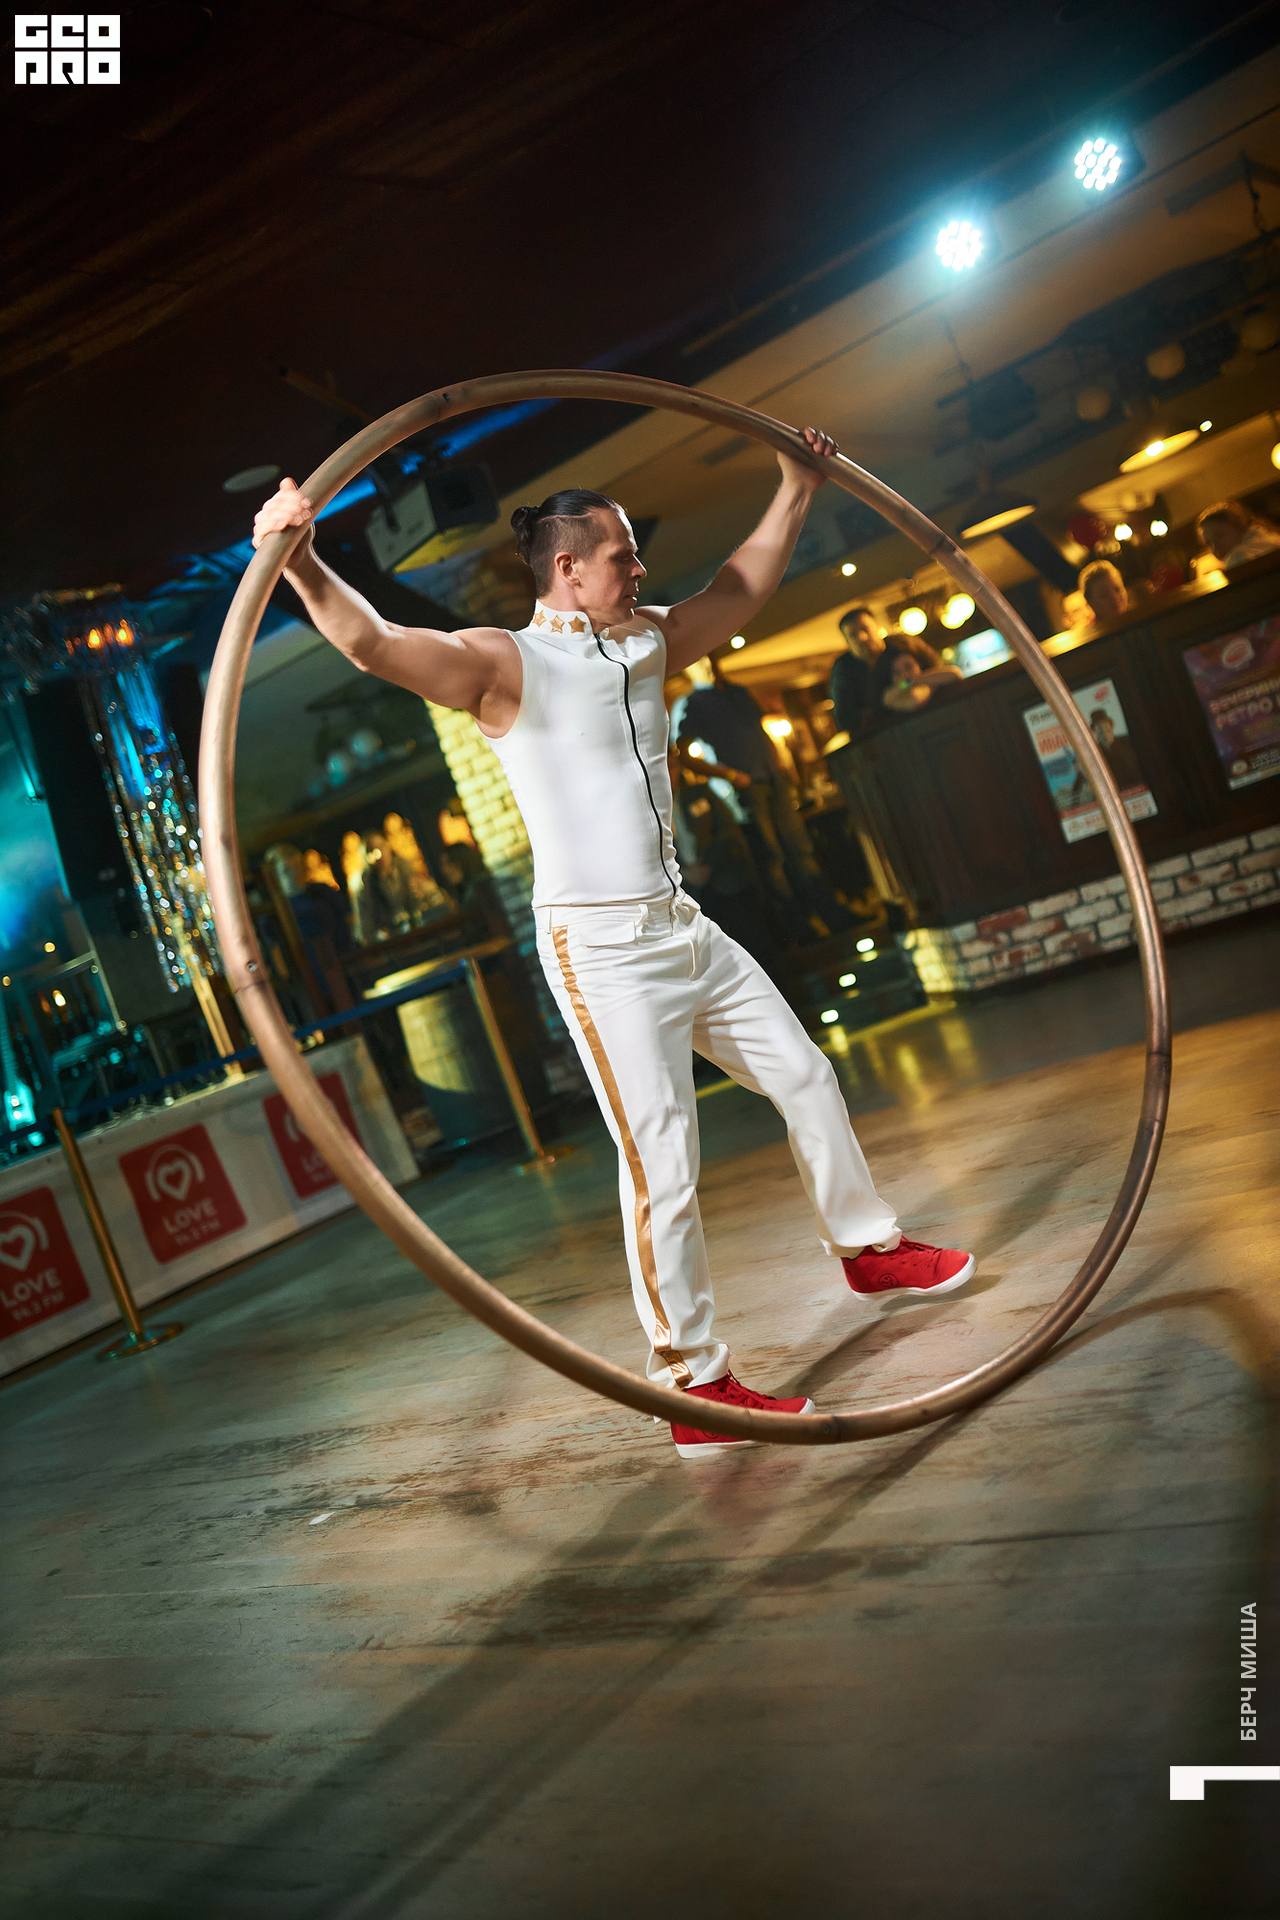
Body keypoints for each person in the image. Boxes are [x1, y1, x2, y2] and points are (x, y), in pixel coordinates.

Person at [252, 436, 974, 1460]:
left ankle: (867, 1248)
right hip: (600, 951)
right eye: (622, 556)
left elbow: (738, 590)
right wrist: (299, 560)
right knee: (663, 1162)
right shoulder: (505, 664)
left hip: (682, 922)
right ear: (567, 569)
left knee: (806, 1074)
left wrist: (795, 485)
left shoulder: (644, 641)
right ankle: (695, 1387)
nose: (639, 569)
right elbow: (375, 644)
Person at [677, 651, 852, 940]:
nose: (707, 664)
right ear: (688, 670)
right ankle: (801, 930)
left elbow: (759, 731)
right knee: (772, 858)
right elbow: (684, 755)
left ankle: (834, 917)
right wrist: (729, 775)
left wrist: (781, 766)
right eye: (698, 661)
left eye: (709, 658)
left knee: (800, 848)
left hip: (773, 779)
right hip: (745, 790)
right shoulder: (692, 705)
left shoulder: (737, 692)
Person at [668, 742, 785, 983]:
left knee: (755, 949)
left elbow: (728, 830)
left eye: (672, 766)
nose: (669, 774)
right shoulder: (652, 812)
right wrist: (685, 873)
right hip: (690, 894)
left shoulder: (700, 793)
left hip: (728, 881)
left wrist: (706, 866)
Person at [828, 606, 885, 739]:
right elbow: (843, 718)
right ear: (847, 642)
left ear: (877, 627)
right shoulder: (843, 668)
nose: (862, 637)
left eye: (865, 629)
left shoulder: (902, 646)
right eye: (853, 635)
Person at [871, 632, 961, 712]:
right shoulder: (889, 697)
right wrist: (912, 683)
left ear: (920, 663)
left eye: (908, 667)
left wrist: (909, 682)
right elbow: (913, 699)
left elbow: (955, 673)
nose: (904, 674)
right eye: (896, 672)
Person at [1195, 499, 1280, 571]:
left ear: (1241, 525)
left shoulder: (1238, 558)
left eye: (1219, 536)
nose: (1215, 548)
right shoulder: (1268, 537)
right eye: (1208, 543)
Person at [1078, 560, 1129, 624]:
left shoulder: (1138, 618)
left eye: (1117, 589)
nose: (1114, 597)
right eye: (1104, 595)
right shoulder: (1092, 630)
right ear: (1090, 603)